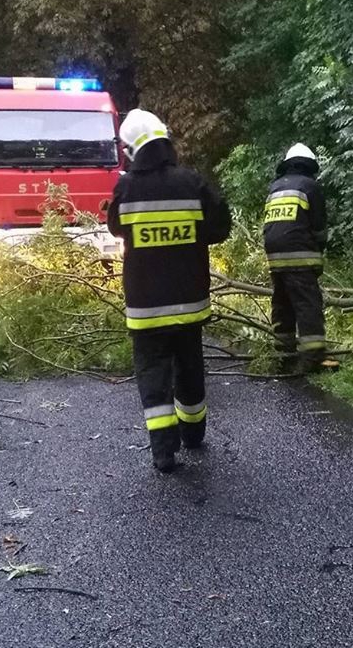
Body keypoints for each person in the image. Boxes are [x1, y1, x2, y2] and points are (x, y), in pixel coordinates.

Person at [107, 110, 231, 473]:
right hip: (189, 301)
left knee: (153, 375)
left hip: (146, 307)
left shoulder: (126, 188)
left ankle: (164, 451)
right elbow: (221, 226)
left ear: (132, 149)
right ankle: (193, 434)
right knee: (189, 367)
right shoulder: (192, 183)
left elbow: (116, 228)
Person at [263, 143, 330, 374]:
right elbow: (319, 228)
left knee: (282, 303)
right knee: (307, 304)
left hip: (274, 255)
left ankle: (284, 353)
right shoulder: (310, 186)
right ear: (309, 165)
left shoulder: (275, 187)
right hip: (299, 255)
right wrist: (318, 252)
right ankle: (312, 358)